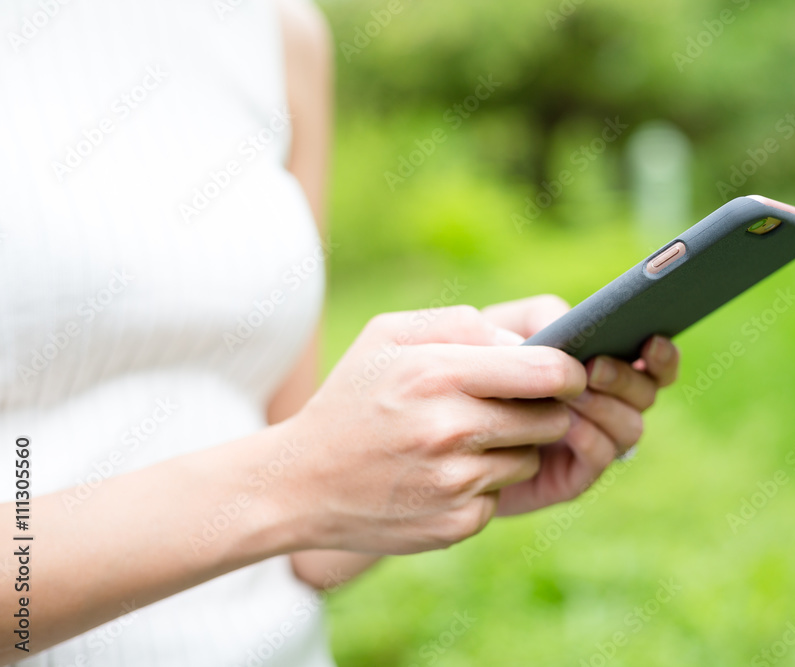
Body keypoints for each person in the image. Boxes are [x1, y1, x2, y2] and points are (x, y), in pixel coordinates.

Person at [0, 0, 679, 664]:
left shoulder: (279, 31)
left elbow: (305, 543)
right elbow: (290, 481)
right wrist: (293, 479)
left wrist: (440, 452)